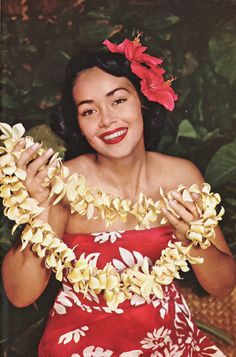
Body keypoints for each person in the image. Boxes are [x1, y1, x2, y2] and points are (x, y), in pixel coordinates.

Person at [1, 36, 235, 357]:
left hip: (169, 340)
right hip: (81, 343)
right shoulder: (62, 183)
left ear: (143, 100)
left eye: (118, 100)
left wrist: (197, 239)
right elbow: (20, 294)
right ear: (78, 123)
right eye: (88, 110)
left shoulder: (181, 177)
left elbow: (222, 286)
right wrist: (39, 207)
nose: (107, 119)